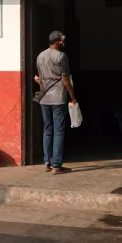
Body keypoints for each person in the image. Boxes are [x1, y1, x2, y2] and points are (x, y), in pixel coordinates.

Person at [35, 30, 76, 174]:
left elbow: (39, 77)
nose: (64, 43)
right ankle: (57, 165)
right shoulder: (62, 56)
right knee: (58, 131)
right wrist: (73, 96)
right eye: (63, 41)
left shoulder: (40, 56)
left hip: (44, 98)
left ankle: (47, 162)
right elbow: (65, 78)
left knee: (47, 129)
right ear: (58, 42)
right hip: (58, 97)